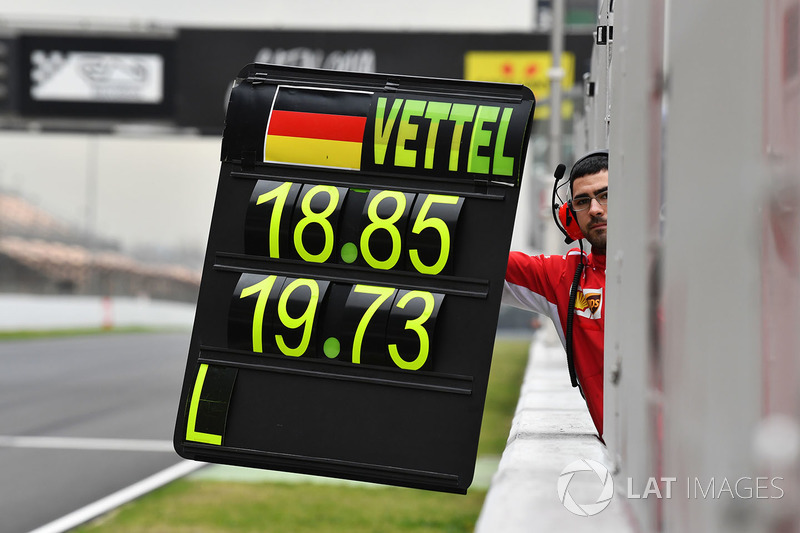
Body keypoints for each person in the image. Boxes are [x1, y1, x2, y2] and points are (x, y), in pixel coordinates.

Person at [503, 150, 608, 437]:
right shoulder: (565, 277)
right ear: (569, 216)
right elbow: (481, 260)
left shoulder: (670, 265)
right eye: (582, 201)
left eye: (606, 195)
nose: (596, 209)